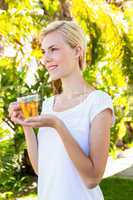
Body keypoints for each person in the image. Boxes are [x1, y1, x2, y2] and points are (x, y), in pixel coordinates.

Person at [9, 20, 115, 200]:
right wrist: (26, 125)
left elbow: (92, 179)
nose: (45, 59)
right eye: (44, 52)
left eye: (54, 49)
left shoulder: (98, 102)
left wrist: (58, 125)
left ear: (77, 51)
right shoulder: (49, 104)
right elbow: (41, 169)